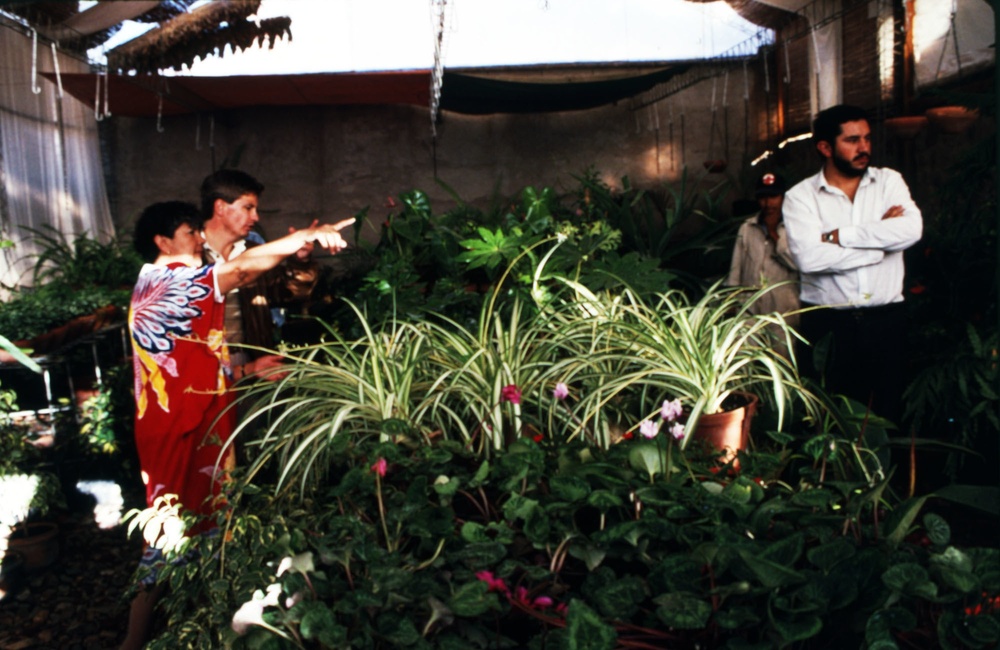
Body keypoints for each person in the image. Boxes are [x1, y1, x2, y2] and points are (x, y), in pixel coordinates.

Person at [121, 201, 353, 650]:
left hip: (199, 422)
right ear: (162, 241)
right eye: (192, 233)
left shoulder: (171, 281)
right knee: (166, 535)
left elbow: (188, 360)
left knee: (210, 527)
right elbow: (243, 270)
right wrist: (307, 236)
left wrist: (248, 372)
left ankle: (198, 624)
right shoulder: (163, 281)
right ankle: (133, 641)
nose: (200, 240)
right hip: (176, 430)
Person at [782, 104, 922, 424]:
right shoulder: (801, 197)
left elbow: (911, 230)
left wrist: (838, 236)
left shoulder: (889, 182)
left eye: (868, 139)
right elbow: (809, 257)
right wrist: (879, 248)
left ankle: (886, 476)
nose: (864, 148)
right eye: (853, 140)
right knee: (829, 417)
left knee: (889, 415)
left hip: (887, 322)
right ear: (825, 147)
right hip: (828, 325)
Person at [199, 168, 322, 372]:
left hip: (253, 364)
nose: (255, 217)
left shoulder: (254, 252)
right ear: (220, 207)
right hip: (201, 364)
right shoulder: (190, 254)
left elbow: (290, 293)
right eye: (248, 208)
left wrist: (301, 260)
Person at [726, 172, 800, 358]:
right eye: (763, 198)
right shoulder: (747, 227)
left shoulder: (794, 227)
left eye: (773, 197)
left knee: (782, 360)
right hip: (749, 304)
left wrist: (775, 235)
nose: (768, 204)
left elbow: (798, 264)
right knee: (746, 358)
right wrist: (730, 300)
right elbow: (736, 267)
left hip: (784, 307)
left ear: (783, 198)